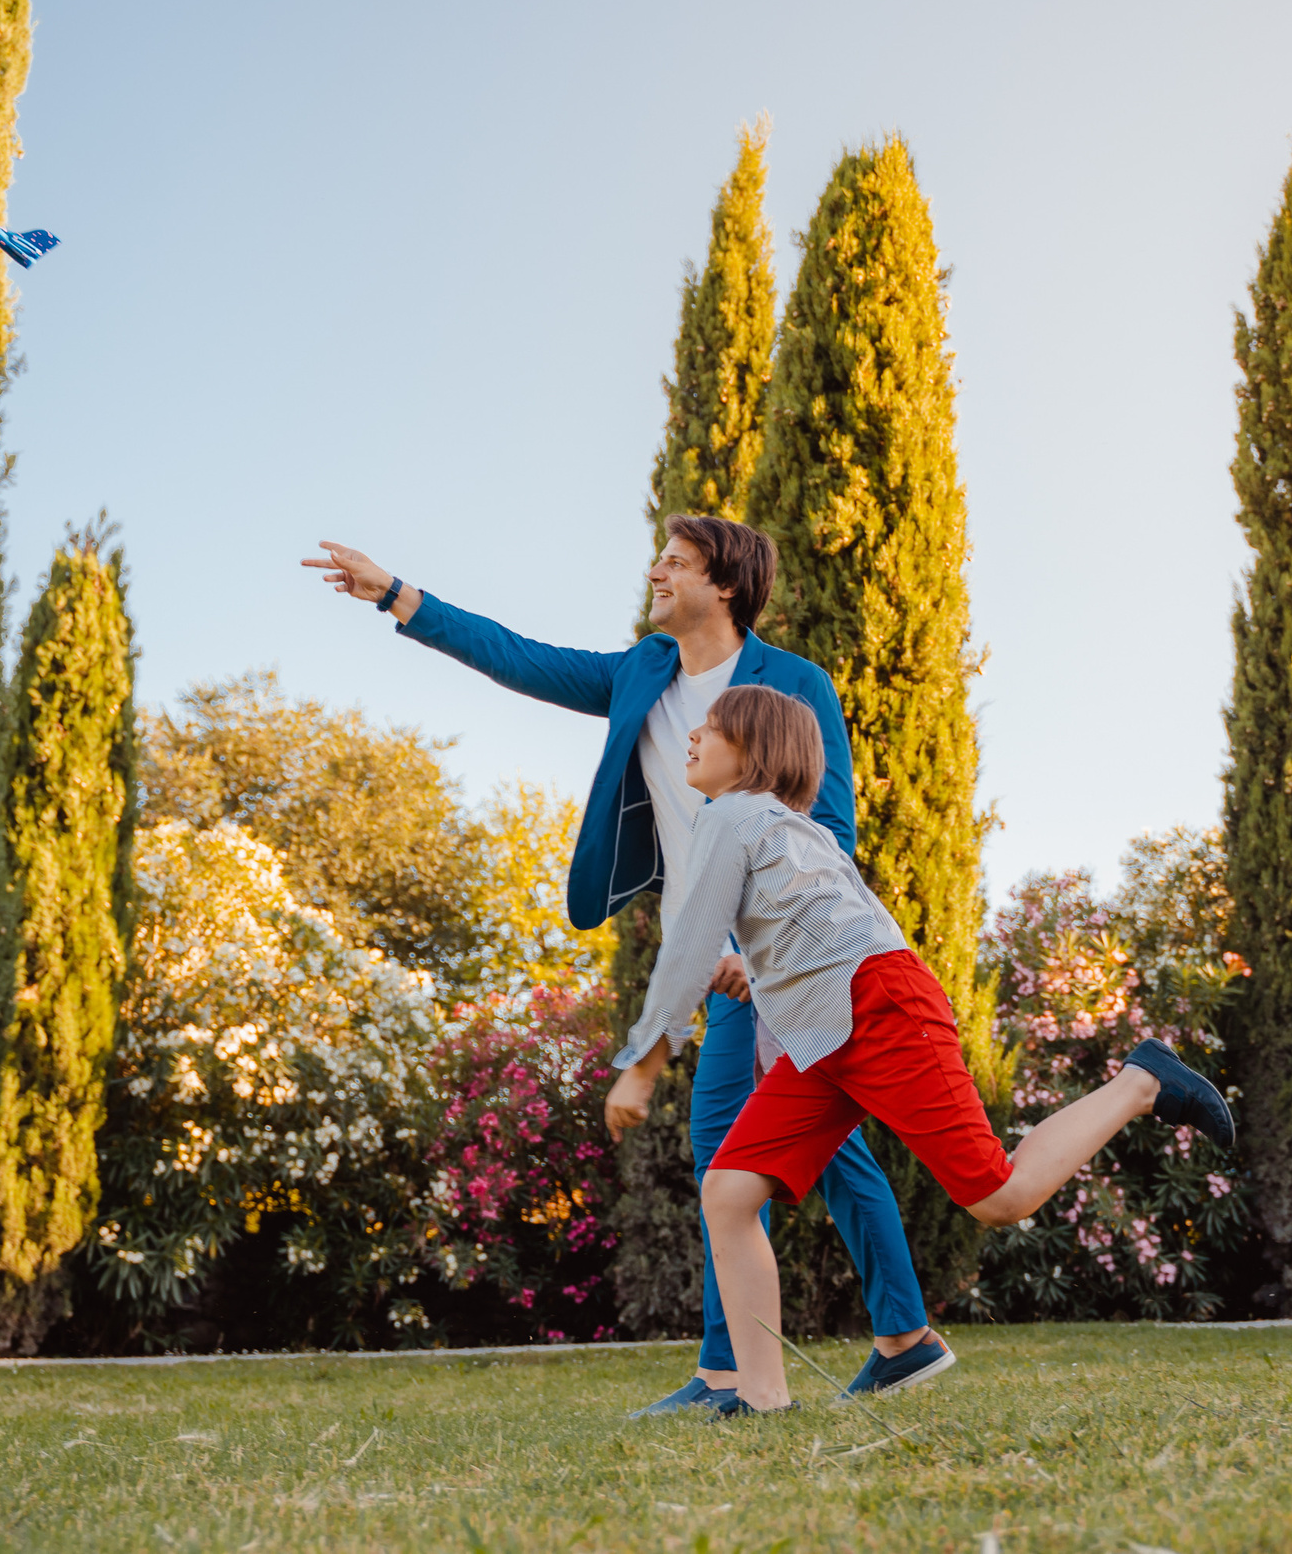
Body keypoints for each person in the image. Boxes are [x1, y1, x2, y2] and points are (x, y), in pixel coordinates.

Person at [307, 517, 952, 1413]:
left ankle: (744, 1373)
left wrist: (746, 939)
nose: (658, 570)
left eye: (677, 561)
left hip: (786, 957)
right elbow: (519, 656)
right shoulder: (641, 672)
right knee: (789, 1144)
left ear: (723, 585)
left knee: (736, 1142)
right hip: (725, 961)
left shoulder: (793, 684)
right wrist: (395, 594)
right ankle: (901, 1338)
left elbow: (828, 827)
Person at [607, 686, 1235, 1415]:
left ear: (752, 751)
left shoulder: (732, 814)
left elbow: (688, 947)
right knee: (730, 1190)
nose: (691, 739)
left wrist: (643, 1064)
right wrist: (764, 972)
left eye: (709, 729)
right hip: (826, 1032)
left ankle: (1141, 1081)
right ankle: (760, 1395)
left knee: (1000, 1196)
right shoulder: (781, 828)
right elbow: (819, 923)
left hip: (882, 1010)